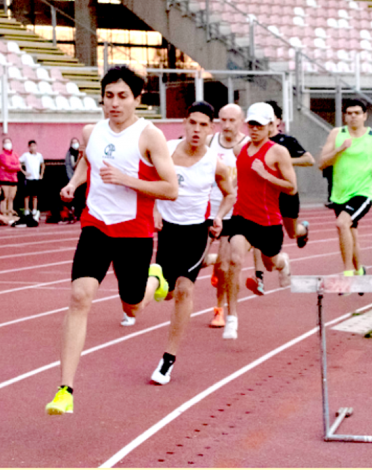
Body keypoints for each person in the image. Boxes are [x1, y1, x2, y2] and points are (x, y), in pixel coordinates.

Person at [45, 65, 178, 415]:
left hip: (134, 231)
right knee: (79, 296)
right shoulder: (92, 131)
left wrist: (126, 179)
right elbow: (87, 164)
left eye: (122, 97)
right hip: (97, 225)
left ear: (137, 99)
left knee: (132, 305)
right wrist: (74, 184)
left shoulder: (150, 136)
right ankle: (65, 389)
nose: (114, 104)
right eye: (108, 96)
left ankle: (155, 278)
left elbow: (171, 189)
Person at [132, 102, 236, 385]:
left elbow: (229, 194)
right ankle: (197, 267)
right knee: (163, 293)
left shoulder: (215, 163)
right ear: (184, 124)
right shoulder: (165, 149)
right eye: (193, 123)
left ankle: (168, 359)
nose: (197, 129)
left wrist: (218, 217)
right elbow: (148, 182)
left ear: (210, 129)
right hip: (167, 231)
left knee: (183, 290)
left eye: (204, 125)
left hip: (196, 232)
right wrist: (153, 210)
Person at [222, 102, 296, 340]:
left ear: (270, 126)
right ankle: (231, 318)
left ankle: (283, 262)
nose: (254, 129)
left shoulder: (278, 152)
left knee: (271, 264)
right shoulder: (240, 149)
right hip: (242, 217)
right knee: (234, 260)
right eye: (251, 124)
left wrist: (265, 174)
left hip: (268, 222)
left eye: (259, 125)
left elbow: (292, 188)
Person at [318, 99, 372, 280]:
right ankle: (360, 272)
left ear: (364, 116)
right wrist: (340, 150)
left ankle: (348, 273)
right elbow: (322, 163)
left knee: (342, 223)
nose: (353, 117)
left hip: (363, 192)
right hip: (339, 194)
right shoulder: (337, 134)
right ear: (345, 116)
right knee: (350, 233)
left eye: (357, 113)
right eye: (349, 113)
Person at [247, 101, 315, 296]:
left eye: (269, 118)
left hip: (285, 194)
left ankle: (303, 230)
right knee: (257, 235)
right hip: (264, 197)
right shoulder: (253, 142)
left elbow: (309, 159)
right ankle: (259, 276)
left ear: (277, 121)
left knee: (292, 233)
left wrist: (283, 160)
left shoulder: (286, 141)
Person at [204, 103, 246, 328]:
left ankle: (219, 309)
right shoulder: (209, 141)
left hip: (233, 212)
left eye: (232, 120)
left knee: (226, 265)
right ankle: (210, 260)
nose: (227, 125)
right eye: (223, 120)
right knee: (196, 261)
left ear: (241, 121)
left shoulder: (247, 145)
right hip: (206, 209)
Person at [19, 140, 45, 220]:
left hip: (36, 178)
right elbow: (18, 163)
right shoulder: (25, 155)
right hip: (28, 178)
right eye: (31, 146)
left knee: (35, 195)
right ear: (29, 147)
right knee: (27, 195)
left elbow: (42, 165)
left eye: (34, 146)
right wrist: (24, 172)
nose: (33, 147)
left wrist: (41, 175)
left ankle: (34, 210)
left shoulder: (39, 155)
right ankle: (26, 210)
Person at [0, 137, 21, 216]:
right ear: (3, 145)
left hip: (13, 179)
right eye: (6, 142)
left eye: (9, 142)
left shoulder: (15, 155)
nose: (8, 144)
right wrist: (14, 167)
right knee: (5, 197)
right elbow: (8, 166)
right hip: (4, 178)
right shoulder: (1, 155)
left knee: (11, 198)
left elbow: (19, 166)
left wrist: (14, 167)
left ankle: (10, 214)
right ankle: (3, 213)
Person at [64, 137, 84, 221]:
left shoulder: (82, 152)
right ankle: (75, 212)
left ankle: (80, 213)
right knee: (75, 196)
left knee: (82, 196)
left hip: (82, 178)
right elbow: (72, 166)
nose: (75, 144)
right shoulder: (69, 154)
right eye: (73, 143)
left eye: (76, 142)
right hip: (73, 177)